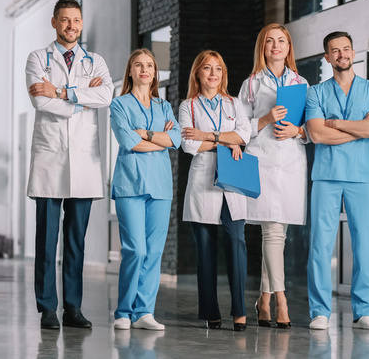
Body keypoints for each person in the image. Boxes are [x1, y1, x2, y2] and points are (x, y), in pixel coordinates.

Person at [26, 0, 114, 329]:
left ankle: (73, 308)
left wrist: (61, 91)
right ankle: (48, 308)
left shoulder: (96, 61)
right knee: (47, 241)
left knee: (76, 241)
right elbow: (40, 100)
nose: (71, 26)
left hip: (84, 160)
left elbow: (106, 97)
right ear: (54, 22)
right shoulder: (37, 58)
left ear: (81, 22)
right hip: (50, 158)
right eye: (65, 20)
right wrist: (80, 98)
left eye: (76, 20)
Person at [304, 31, 369, 331]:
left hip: (362, 176)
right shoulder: (315, 93)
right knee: (320, 245)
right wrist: (360, 127)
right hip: (326, 176)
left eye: (346, 49)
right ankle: (320, 312)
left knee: (364, 244)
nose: (342, 55)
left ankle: (364, 311)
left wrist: (337, 123)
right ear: (327, 57)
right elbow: (316, 134)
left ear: (354, 53)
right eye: (335, 51)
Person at [238, 23, 309, 329]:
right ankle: (282, 301)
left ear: (289, 47)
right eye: (270, 41)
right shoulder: (251, 85)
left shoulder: (301, 83)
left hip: (291, 161)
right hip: (263, 161)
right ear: (263, 47)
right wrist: (266, 118)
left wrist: (298, 130)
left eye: (281, 41)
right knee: (272, 233)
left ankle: (263, 300)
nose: (276, 46)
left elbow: (310, 125)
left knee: (278, 237)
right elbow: (239, 129)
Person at [179, 50, 252, 331]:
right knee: (205, 251)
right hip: (203, 183)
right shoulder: (189, 106)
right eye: (207, 69)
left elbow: (244, 135)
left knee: (236, 245)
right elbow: (189, 145)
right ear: (197, 73)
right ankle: (210, 311)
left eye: (218, 69)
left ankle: (240, 311)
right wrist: (226, 141)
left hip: (232, 183)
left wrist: (208, 136)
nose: (213, 74)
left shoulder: (234, 103)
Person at [109, 49, 180, 330]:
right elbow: (128, 141)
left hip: (160, 185)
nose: (144, 69)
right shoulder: (119, 105)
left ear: (155, 72)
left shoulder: (164, 107)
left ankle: (143, 312)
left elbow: (175, 139)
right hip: (130, 184)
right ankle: (123, 312)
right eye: (138, 65)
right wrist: (158, 139)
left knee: (153, 251)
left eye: (149, 65)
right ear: (130, 71)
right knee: (135, 249)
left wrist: (146, 133)